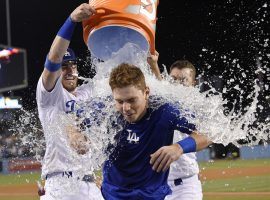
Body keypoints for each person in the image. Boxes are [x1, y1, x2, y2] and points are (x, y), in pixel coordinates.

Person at [99, 63, 211, 200]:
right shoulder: (105, 110)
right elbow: (73, 117)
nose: (126, 108)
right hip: (112, 195)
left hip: (155, 194)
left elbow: (208, 132)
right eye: (119, 101)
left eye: (132, 100)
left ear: (146, 93)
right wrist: (75, 134)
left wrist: (179, 147)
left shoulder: (165, 111)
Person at [36, 3, 103, 200]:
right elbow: (53, 57)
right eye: (64, 66)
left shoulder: (88, 92)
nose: (70, 70)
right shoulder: (49, 95)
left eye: (73, 65)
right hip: (60, 186)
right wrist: (72, 20)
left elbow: (111, 68)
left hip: (90, 185)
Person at [147, 52, 203, 200]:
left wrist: (178, 147)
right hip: (156, 186)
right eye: (173, 79)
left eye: (183, 80)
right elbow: (163, 93)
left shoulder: (198, 106)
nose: (177, 84)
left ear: (194, 83)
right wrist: (153, 65)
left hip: (184, 187)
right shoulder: (164, 103)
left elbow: (206, 136)